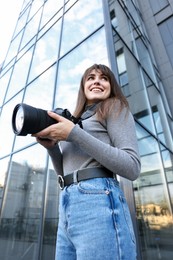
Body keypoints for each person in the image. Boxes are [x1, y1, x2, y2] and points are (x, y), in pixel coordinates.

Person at [33, 64, 141, 260]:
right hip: (68, 204)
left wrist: (74, 134)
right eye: (90, 78)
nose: (97, 81)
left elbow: (132, 166)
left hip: (98, 201)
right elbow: (64, 173)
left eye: (104, 78)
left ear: (111, 86)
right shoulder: (73, 122)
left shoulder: (114, 106)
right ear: (83, 87)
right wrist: (51, 148)